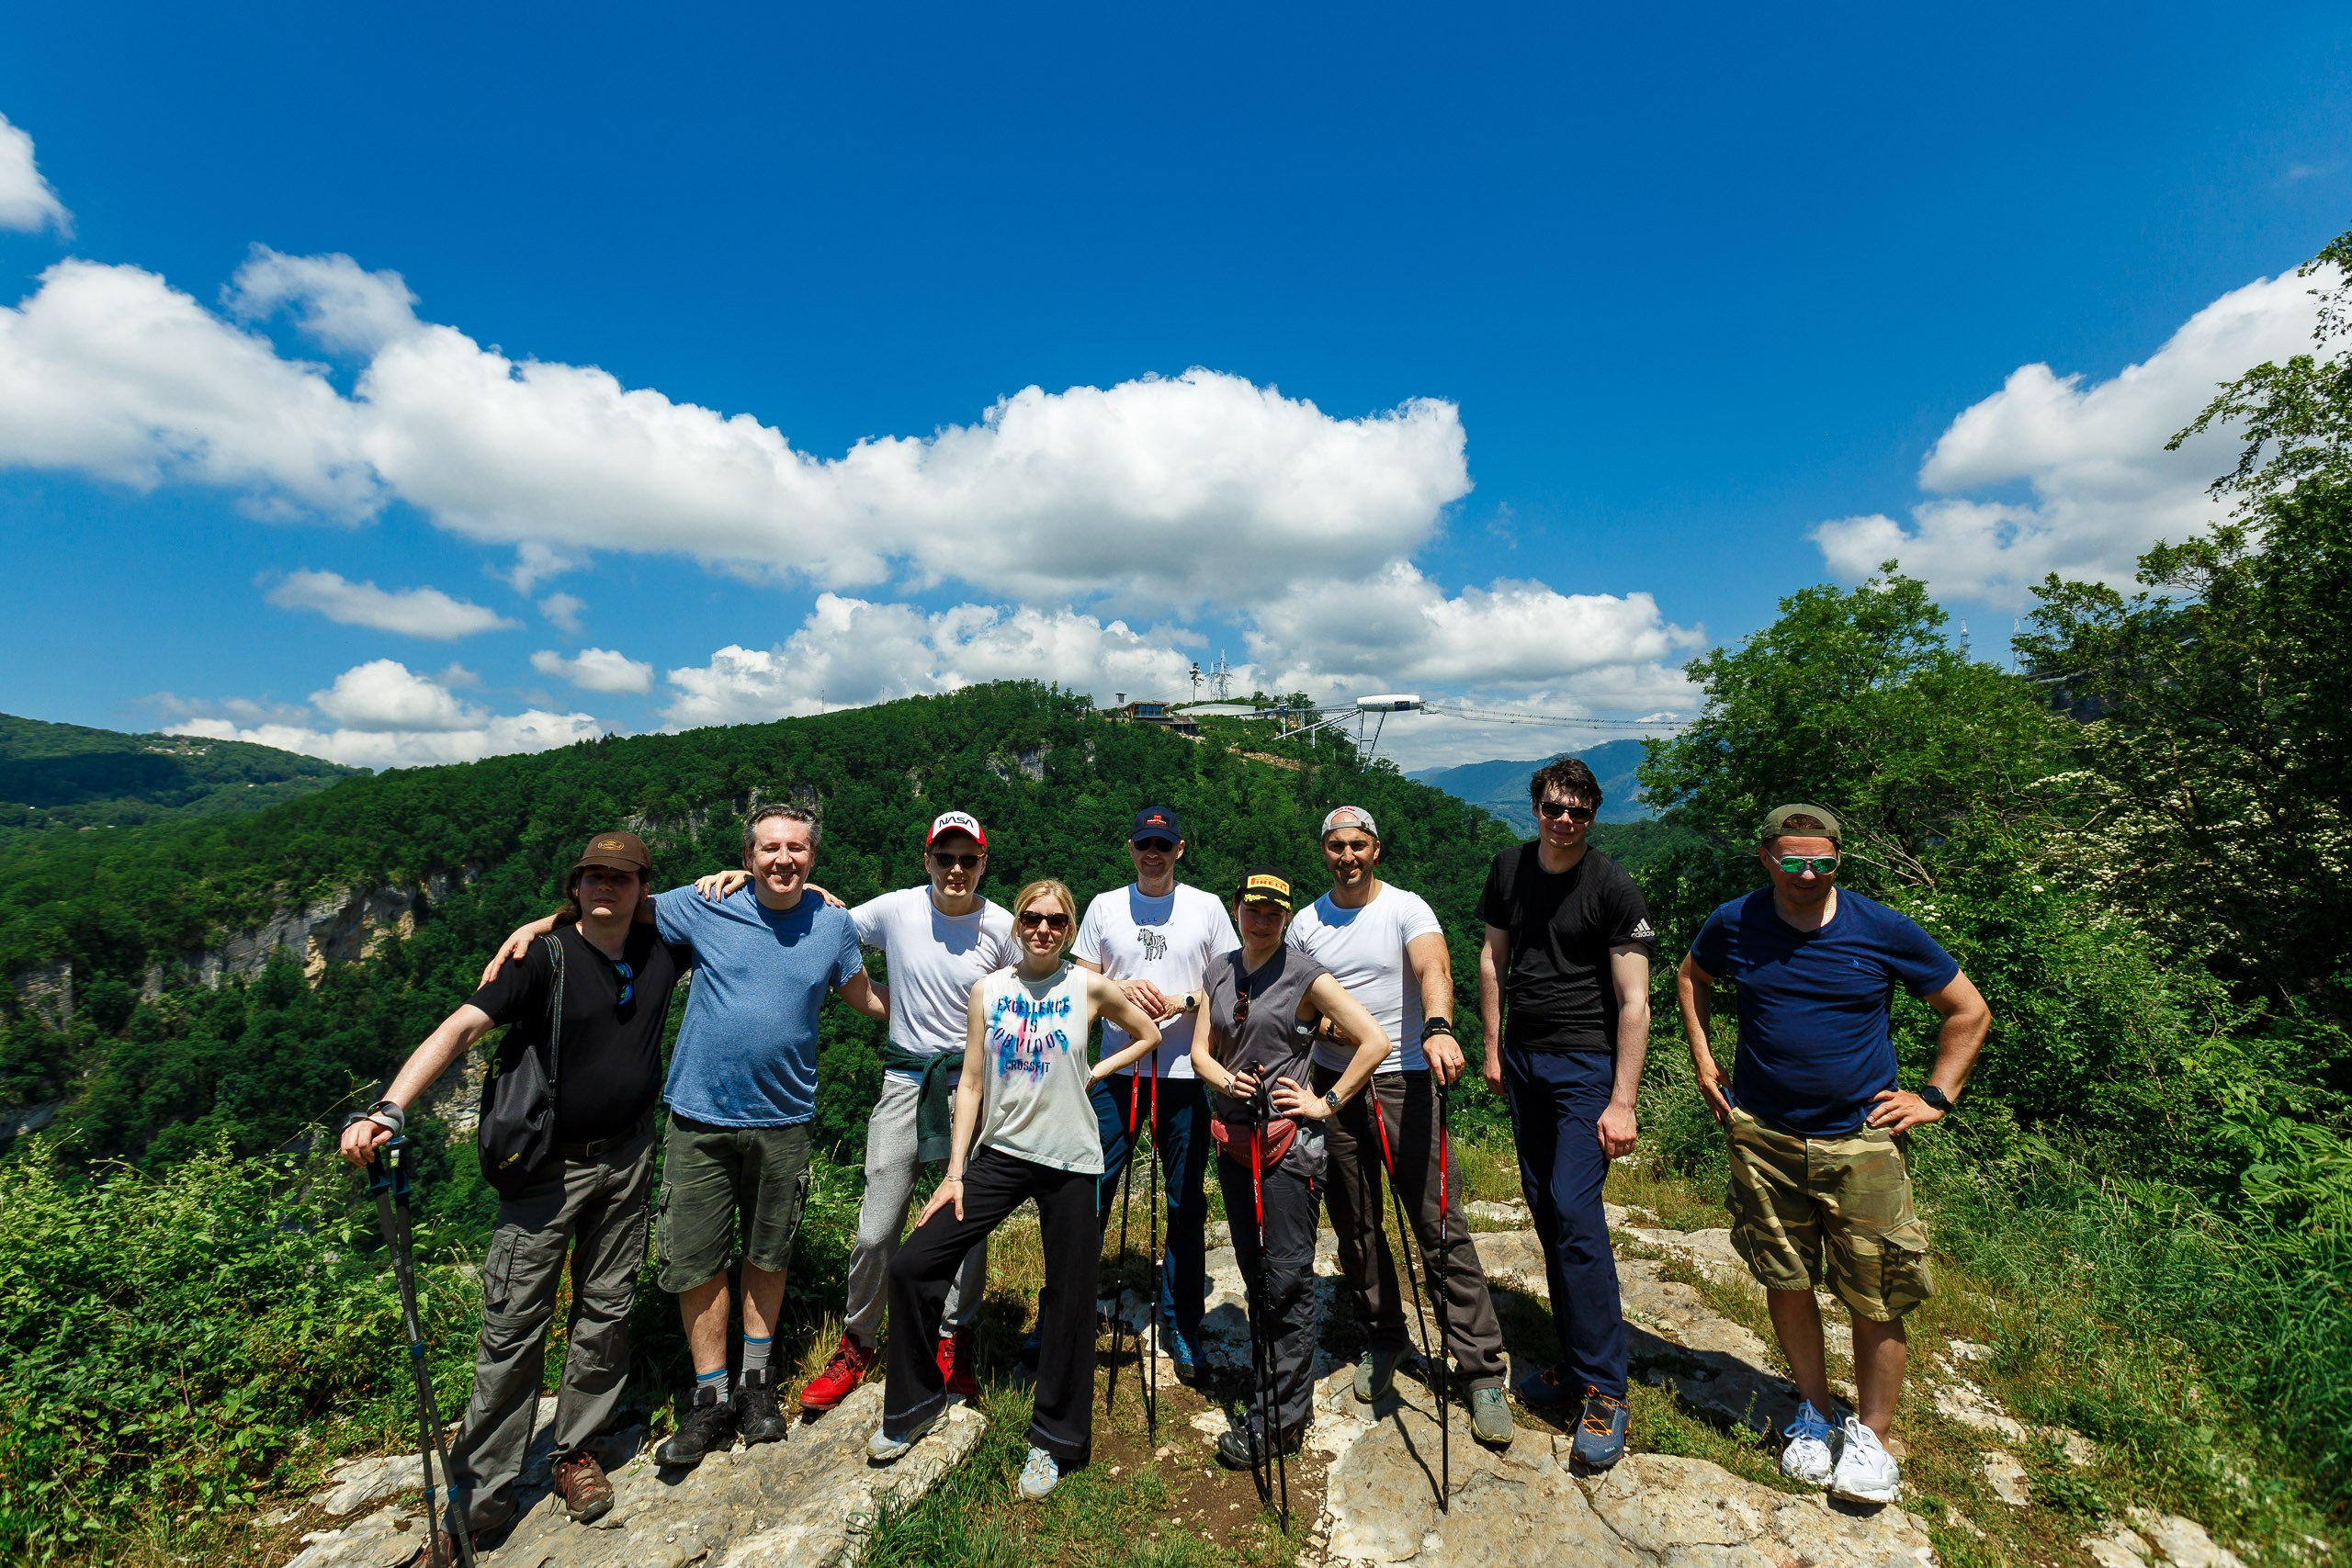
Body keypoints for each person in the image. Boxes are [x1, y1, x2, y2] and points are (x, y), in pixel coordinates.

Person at [489, 805, 885, 1469]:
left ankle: (757, 1387)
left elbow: (863, 995)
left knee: (768, 1251)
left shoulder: (833, 923)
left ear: (812, 857)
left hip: (785, 1119)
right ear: (748, 855)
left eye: (795, 848)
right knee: (695, 1259)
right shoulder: (702, 904)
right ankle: (711, 1397)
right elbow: (609, 910)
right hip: (699, 1117)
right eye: (768, 848)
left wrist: (954, 1025)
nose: (782, 858)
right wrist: (539, 925)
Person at [342, 830, 685, 1553]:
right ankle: (482, 1498)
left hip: (628, 1157)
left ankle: (576, 1452)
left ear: (642, 888)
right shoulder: (543, 959)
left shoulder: (662, 948)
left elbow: (741, 904)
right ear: (573, 886)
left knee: (608, 1308)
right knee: (512, 1327)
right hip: (546, 1170)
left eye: (621, 878)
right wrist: (390, 1107)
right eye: (592, 876)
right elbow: (464, 1027)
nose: (605, 887)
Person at [1678, 803, 1990, 1504]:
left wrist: (1935, 1096)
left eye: (1823, 861)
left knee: (1876, 1290)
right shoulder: (1734, 921)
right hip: (1765, 1135)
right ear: (1767, 858)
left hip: (1862, 1141)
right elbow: (1691, 976)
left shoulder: (1881, 928)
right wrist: (1703, 1060)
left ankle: (1872, 1437)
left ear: (1839, 860)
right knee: (1786, 1279)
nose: (1808, 874)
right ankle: (1814, 1415)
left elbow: (1968, 1010)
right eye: (1793, 861)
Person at [698, 811, 1017, 1418]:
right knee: (876, 1227)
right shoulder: (896, 909)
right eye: (944, 857)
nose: (955, 869)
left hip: (974, 1083)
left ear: (983, 863)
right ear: (926, 860)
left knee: (966, 1228)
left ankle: (954, 1339)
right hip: (904, 1080)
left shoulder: (1000, 924)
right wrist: (762, 880)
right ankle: (858, 1341)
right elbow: (824, 923)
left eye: (967, 859)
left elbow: (1041, 972)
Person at [868, 879, 1166, 1500]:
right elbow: (971, 1082)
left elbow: (1149, 1034)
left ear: (1069, 927)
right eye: (1032, 917)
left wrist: (1096, 1069)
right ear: (1017, 924)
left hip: (1071, 1162)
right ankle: (917, 1404)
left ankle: (1053, 1440)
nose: (1042, 928)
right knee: (913, 1264)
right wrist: (953, 1174)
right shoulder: (990, 990)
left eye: (1056, 920)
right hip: (999, 1154)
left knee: (1070, 1299)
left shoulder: (1089, 987)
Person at [1290, 807, 1516, 1450]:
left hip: (1404, 1079)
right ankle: (1382, 1334)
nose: (1347, 856)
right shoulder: (1307, 921)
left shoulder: (1406, 908)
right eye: (1336, 846)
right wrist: (1343, 1033)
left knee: (1438, 1225)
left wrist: (1438, 1025)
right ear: (1325, 851)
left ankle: (1480, 1372)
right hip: (1334, 1086)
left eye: (1357, 844)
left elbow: (1433, 968)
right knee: (1356, 1226)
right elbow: (1303, 1006)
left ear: (1376, 848)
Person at [1474, 756, 1654, 1468]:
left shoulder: (1611, 885)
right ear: (1535, 806)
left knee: (1576, 1214)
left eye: (1579, 811)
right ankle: (1578, 1363)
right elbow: (1493, 958)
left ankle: (1608, 1390)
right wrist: (1492, 1045)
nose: (1565, 820)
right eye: (1554, 807)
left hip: (1585, 1067)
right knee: (1547, 1211)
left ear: (1592, 815)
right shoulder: (1509, 868)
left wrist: (1622, 1100)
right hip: (1523, 1059)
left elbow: (1635, 1001)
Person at [1193, 866, 1390, 1471]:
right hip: (1233, 1139)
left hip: (1289, 1147)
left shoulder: (1306, 973)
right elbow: (1203, 1049)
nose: (1263, 918)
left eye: (1274, 911)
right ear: (1237, 908)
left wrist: (1324, 1103)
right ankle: (1271, 1377)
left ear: (1284, 918)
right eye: (1254, 908)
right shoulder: (1219, 968)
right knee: (1257, 1274)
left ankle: (1280, 1420)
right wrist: (1229, 1079)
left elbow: (1374, 1040)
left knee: (1286, 1279)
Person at [1066, 806, 1238, 1382]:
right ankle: (1066, 1313)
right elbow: (1079, 985)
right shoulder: (1104, 906)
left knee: (1185, 1202)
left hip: (1186, 1071)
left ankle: (1181, 1323)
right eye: (1145, 843)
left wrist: (1185, 1002)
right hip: (1118, 1070)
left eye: (1163, 844)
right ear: (1131, 846)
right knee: (1089, 1191)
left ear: (1179, 849)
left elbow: (1230, 981)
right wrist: (1119, 989)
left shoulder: (1208, 907)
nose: (1153, 853)